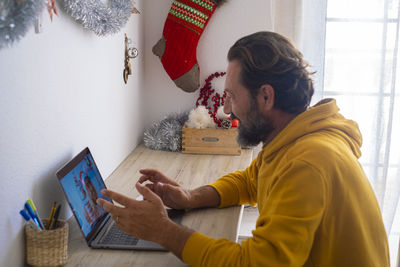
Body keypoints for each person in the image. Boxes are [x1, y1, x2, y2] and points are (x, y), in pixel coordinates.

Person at [97, 31, 390, 266]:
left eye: (232, 96)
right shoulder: (296, 139)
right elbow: (252, 180)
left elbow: (255, 263)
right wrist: (189, 197)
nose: (226, 109)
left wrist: (163, 231)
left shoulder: (308, 162)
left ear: (266, 96)